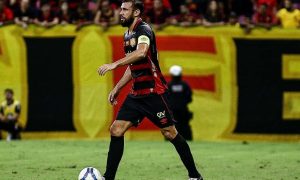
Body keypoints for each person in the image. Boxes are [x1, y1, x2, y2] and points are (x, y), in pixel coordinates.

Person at [97, 0, 203, 180]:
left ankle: (195, 176)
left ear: (136, 12)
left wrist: (114, 64)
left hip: (154, 92)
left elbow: (141, 53)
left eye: (124, 9)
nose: (120, 12)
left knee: (170, 133)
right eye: (120, 9)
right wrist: (117, 88)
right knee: (116, 129)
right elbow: (133, 66)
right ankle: (108, 178)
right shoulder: (127, 34)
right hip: (136, 94)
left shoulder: (143, 30)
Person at [168, 65, 193, 141]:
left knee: (172, 128)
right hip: (183, 111)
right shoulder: (185, 85)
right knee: (185, 127)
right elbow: (189, 99)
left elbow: (165, 98)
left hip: (172, 112)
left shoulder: (168, 85)